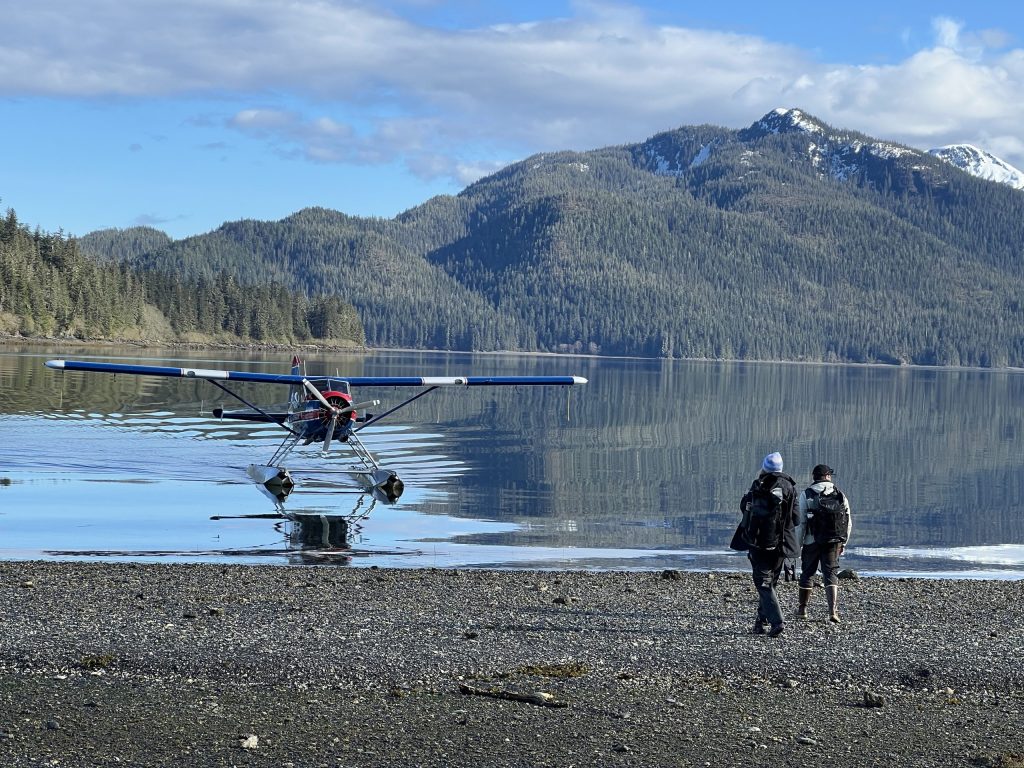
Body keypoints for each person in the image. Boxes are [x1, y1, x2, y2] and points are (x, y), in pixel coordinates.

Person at [735, 452, 798, 638]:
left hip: (758, 542)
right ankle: (760, 623)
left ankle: (776, 621)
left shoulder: (758, 486)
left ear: (764, 468)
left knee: (763, 583)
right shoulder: (790, 487)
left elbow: (743, 507)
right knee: (770, 583)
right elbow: (796, 518)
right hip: (782, 544)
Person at [795, 464, 852, 624]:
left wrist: (798, 545)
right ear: (827, 476)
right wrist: (843, 542)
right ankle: (832, 611)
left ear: (814, 477)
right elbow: (847, 521)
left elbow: (801, 524)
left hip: (811, 541)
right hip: (833, 541)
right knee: (830, 573)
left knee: (807, 573)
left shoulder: (806, 495)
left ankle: (802, 609)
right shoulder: (840, 494)